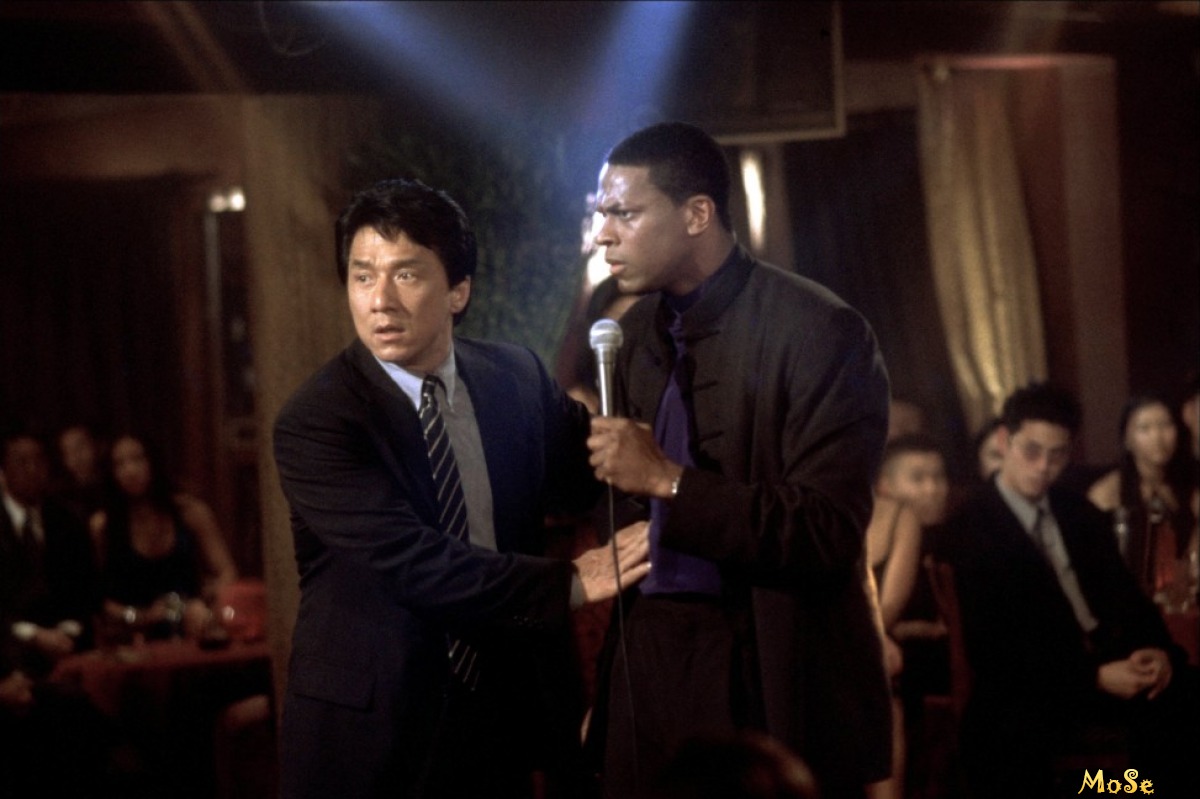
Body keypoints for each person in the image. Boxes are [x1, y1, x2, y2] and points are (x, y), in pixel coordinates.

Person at [272, 178, 651, 799]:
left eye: (406, 275)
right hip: (374, 725)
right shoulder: (319, 419)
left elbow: (606, 473)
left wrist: (666, 518)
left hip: (502, 712)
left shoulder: (513, 378)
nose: (380, 301)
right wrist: (572, 581)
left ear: (458, 291)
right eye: (363, 277)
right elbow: (413, 561)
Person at [585, 122, 892, 798]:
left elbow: (827, 529)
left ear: (697, 214)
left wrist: (669, 481)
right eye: (600, 214)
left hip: (763, 648)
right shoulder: (632, 334)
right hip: (652, 652)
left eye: (624, 213)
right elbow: (621, 501)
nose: (603, 235)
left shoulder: (819, 329)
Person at [941, 382, 1196, 797]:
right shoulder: (971, 527)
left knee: (1182, 698)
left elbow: (1130, 600)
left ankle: (1140, 788)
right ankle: (1121, 789)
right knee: (1070, 762)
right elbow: (996, 650)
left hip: (1109, 660)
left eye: (1057, 454)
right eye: (1031, 451)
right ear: (1004, 441)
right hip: (1036, 688)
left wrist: (1158, 651)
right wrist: (1092, 677)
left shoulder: (1078, 511)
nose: (1044, 466)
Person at [90, 433, 238, 642]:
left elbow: (227, 571)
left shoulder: (189, 511)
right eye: (119, 464)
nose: (130, 470)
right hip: (133, 638)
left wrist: (208, 605)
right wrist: (139, 616)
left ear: (153, 461)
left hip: (191, 628)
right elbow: (96, 599)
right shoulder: (103, 526)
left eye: (137, 459)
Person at [1087, 394, 1199, 609]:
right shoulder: (1108, 492)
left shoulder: (1189, 488)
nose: (1158, 437)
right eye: (1144, 428)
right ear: (1127, 440)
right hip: (1124, 602)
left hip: (1180, 601)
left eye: (1165, 425)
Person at [1, 430, 99, 669]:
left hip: (68, 641)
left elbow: (86, 592)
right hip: (8, 648)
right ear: (4, 469)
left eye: (39, 461)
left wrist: (66, 630)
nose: (32, 469)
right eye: (22, 462)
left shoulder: (68, 519)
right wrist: (34, 635)